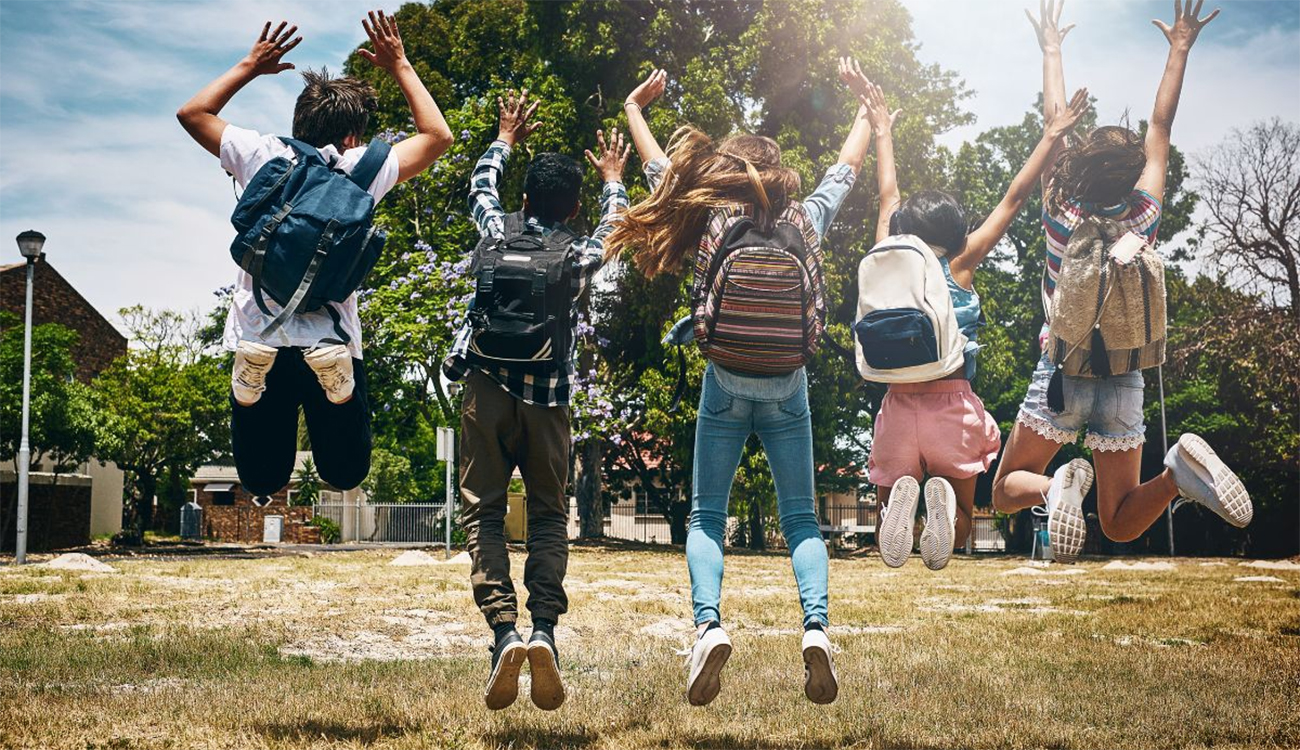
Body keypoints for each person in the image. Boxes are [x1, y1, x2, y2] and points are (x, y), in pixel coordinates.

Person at [607, 62, 874, 707]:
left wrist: (635, 110)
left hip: (725, 377)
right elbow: (846, 168)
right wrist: (867, 106)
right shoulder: (805, 217)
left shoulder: (709, 214)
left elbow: (656, 169)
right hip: (788, 380)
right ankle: (816, 631)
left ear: (729, 169)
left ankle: (708, 627)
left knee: (707, 513)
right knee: (803, 518)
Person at [992, 0, 1250, 561]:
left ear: (1075, 170)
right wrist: (1179, 48)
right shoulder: (1144, 216)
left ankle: (1054, 486)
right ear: (1134, 177)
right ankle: (1177, 473)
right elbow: (1162, 125)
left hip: (1062, 369)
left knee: (1007, 489)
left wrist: (1052, 49)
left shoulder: (1060, 211)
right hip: (1126, 372)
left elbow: (1052, 122)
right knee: (1118, 522)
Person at [176, 12, 451, 497]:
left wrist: (250, 65)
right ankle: (338, 389)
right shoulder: (364, 166)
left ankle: (247, 388)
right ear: (352, 136)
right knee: (345, 471)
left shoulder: (262, 155)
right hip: (333, 336)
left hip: (258, 332)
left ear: (299, 123)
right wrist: (400, 65)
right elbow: (437, 137)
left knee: (262, 476)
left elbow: (192, 114)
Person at [843, 61, 1091, 571]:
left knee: (891, 511)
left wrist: (883, 129)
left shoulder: (888, 249)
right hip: (951, 405)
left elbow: (887, 192)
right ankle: (937, 503)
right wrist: (1049, 136)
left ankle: (900, 506)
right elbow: (1014, 198)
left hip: (895, 403)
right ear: (957, 232)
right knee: (956, 532)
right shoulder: (960, 261)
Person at [442, 89, 630, 711]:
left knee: (484, 515)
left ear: (524, 201)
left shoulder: (495, 232)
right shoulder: (575, 254)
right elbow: (616, 228)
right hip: (548, 401)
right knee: (549, 515)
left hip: (485, 393)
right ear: (571, 206)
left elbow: (480, 186)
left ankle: (503, 634)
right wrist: (611, 179)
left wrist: (504, 136)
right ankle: (544, 629)